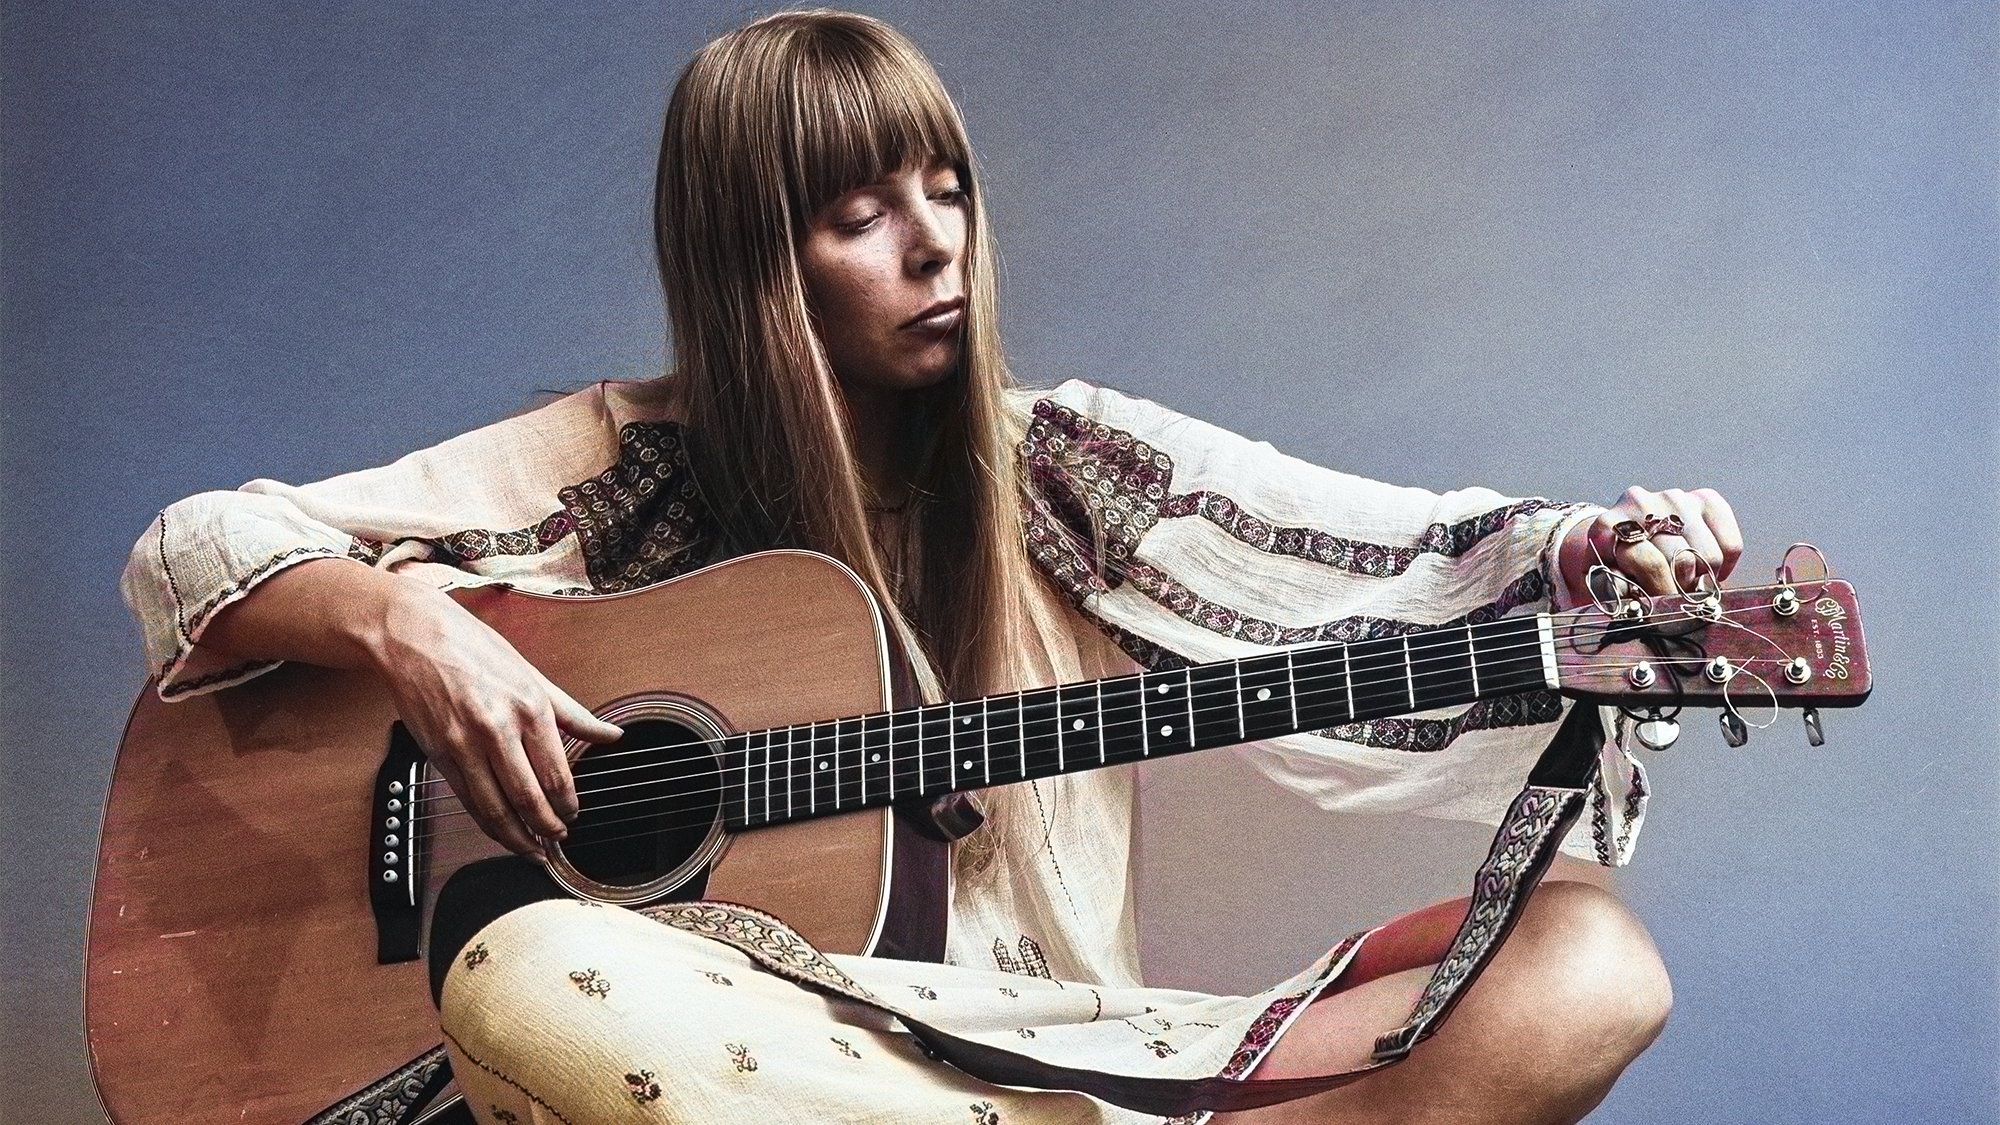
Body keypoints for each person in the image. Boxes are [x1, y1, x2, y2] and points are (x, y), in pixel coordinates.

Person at [121, 12, 1736, 1124]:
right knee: (536, 964)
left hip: (1067, 1057)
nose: (934, 239)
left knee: (1585, 956)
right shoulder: (614, 467)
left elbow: (1391, 555)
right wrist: (414, 628)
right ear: (754, 259)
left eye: (946, 187)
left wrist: (1592, 559)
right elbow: (200, 544)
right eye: (859, 210)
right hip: (763, 1061)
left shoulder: (1061, 470)